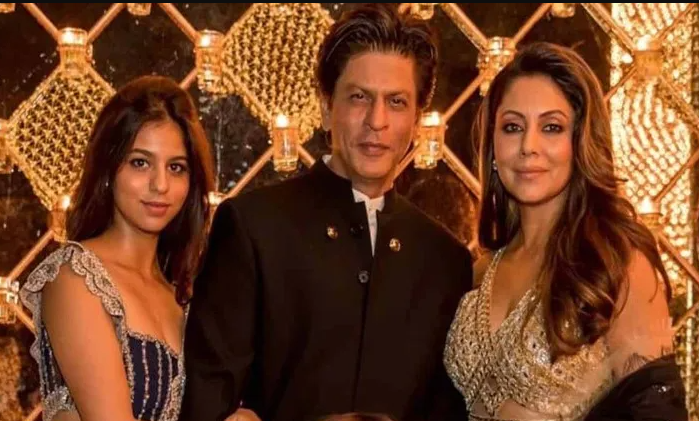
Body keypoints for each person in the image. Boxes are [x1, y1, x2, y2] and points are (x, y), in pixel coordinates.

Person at [179, 4, 472, 421]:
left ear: (417, 119)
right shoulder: (254, 228)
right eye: (359, 97)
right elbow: (206, 403)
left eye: (396, 102)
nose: (377, 121)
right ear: (325, 106)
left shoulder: (445, 261)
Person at [443, 42, 687, 421]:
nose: (528, 146)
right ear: (492, 147)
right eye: (512, 127)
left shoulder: (616, 267)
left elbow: (657, 412)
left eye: (552, 128)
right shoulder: (479, 272)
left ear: (580, 143)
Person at [20, 75, 215, 421]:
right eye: (140, 162)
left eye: (176, 167)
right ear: (109, 168)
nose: (160, 184)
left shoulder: (183, 294)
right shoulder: (76, 277)